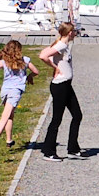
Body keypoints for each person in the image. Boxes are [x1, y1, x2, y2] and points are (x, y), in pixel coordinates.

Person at [38, 23, 83, 161]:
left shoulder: (61, 44)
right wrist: (55, 67)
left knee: (77, 115)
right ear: (69, 33)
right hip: (60, 86)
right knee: (57, 119)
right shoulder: (61, 45)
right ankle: (48, 151)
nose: (76, 33)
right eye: (74, 31)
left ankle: (73, 148)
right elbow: (43, 56)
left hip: (66, 85)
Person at [0, 38, 36, 152]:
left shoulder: (4, 61)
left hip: (5, 90)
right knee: (5, 115)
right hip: (15, 91)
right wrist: (30, 76)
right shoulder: (25, 60)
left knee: (10, 115)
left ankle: (9, 140)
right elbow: (36, 71)